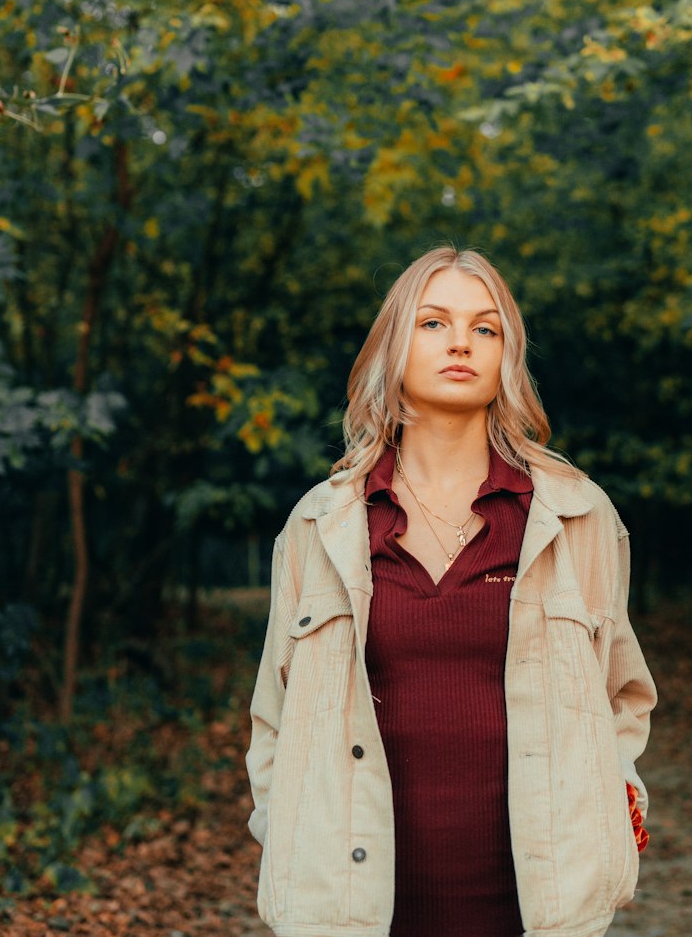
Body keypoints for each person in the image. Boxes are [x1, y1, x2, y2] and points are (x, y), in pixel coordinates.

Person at [245, 246, 656, 937]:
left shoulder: (577, 515)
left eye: (486, 328)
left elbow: (622, 696)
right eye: (434, 323)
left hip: (536, 911)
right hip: (356, 912)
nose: (461, 341)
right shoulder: (323, 522)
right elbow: (274, 720)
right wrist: (288, 833)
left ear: (507, 357)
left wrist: (614, 819)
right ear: (394, 346)